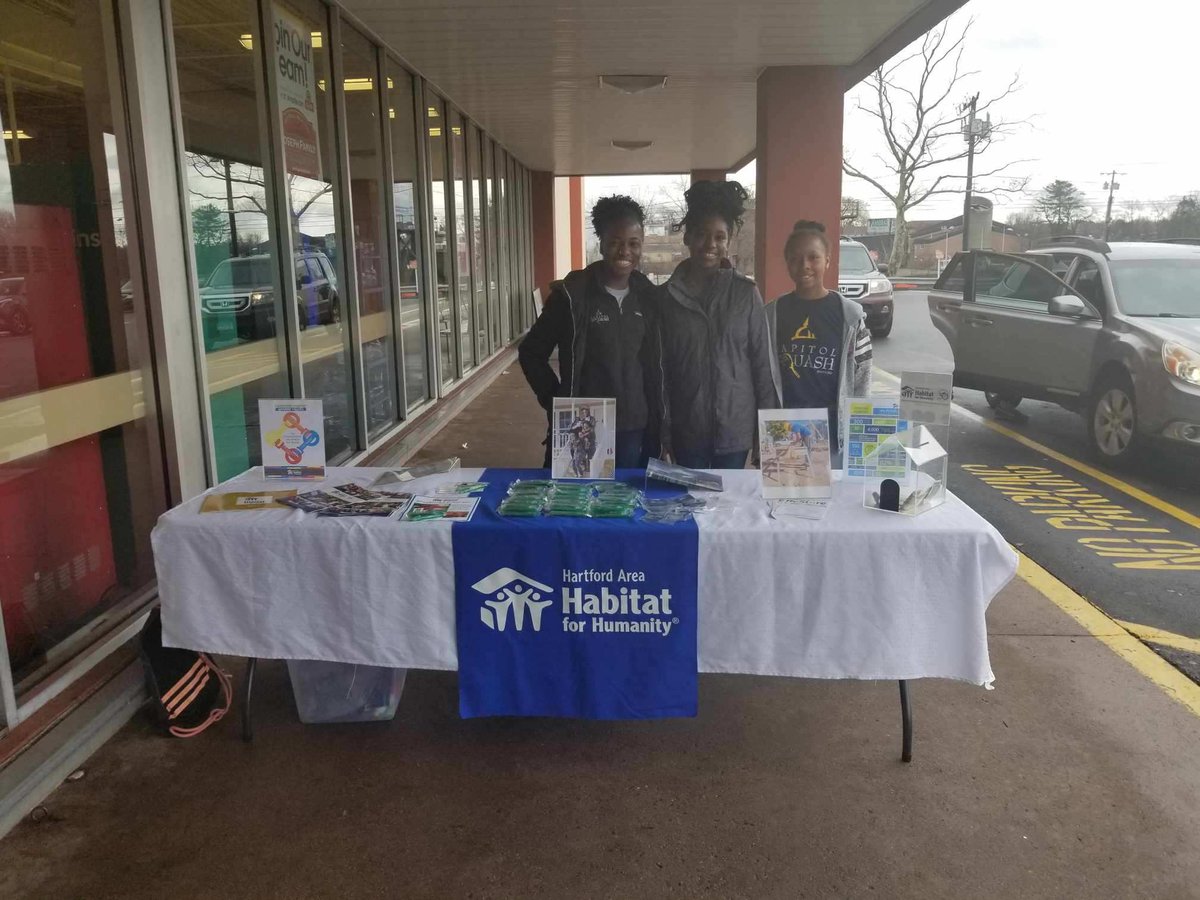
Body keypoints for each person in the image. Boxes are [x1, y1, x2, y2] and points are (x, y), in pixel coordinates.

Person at [519, 196, 657, 468]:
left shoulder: (650, 298)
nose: (624, 251)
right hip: (583, 423)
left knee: (624, 504)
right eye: (615, 242)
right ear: (601, 243)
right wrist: (555, 401)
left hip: (634, 427)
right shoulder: (572, 296)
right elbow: (531, 352)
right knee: (576, 505)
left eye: (633, 243)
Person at [651, 180, 779, 469]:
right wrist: (664, 429)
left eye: (720, 237)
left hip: (735, 432)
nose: (710, 244)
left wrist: (767, 435)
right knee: (693, 508)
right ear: (687, 238)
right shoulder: (665, 299)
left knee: (728, 509)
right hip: (687, 430)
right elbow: (661, 373)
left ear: (729, 240)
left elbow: (763, 368)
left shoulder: (746, 294)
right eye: (701, 234)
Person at [766, 220, 873, 466]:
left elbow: (862, 379)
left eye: (813, 257)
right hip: (785, 426)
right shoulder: (771, 314)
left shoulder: (851, 317)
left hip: (834, 430)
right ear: (787, 264)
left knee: (832, 501)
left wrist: (858, 434)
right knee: (787, 500)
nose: (804, 265)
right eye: (795, 258)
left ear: (827, 261)